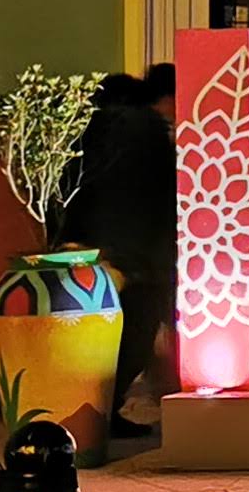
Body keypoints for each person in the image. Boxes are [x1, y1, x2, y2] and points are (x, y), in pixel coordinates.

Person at [60, 63, 177, 449]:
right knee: (134, 335)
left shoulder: (87, 134)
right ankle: (103, 413)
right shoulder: (147, 133)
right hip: (136, 253)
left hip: (90, 248)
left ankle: (86, 411)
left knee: (95, 335)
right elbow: (156, 198)